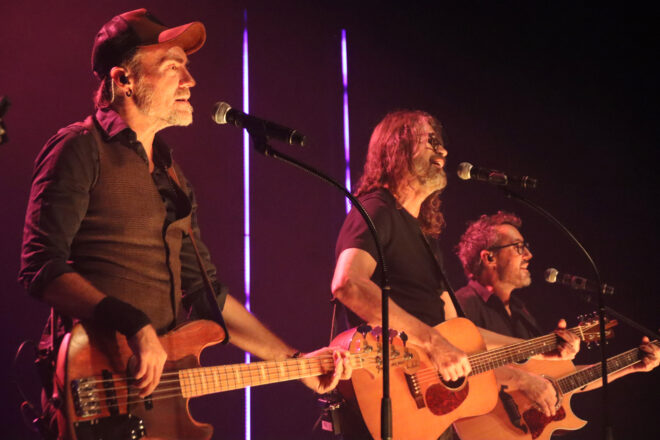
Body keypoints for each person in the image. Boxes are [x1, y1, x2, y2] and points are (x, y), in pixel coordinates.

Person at [18, 8, 350, 438]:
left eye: (187, 69)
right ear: (124, 80)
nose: (190, 82)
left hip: (159, 402)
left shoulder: (172, 175)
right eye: (173, 68)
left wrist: (295, 362)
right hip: (98, 388)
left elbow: (206, 293)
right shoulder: (79, 150)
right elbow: (41, 266)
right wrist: (133, 323)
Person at [329, 110, 580, 439]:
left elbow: (463, 334)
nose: (443, 152)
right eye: (430, 142)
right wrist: (434, 342)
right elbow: (348, 284)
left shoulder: (424, 237)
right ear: (396, 148)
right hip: (389, 397)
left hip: (433, 412)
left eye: (442, 144)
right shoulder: (377, 209)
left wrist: (533, 348)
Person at [454, 211, 659, 417]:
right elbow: (454, 369)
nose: (528, 255)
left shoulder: (521, 312)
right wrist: (522, 379)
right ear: (489, 257)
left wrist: (632, 365)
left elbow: (560, 381)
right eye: (518, 247)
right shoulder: (461, 305)